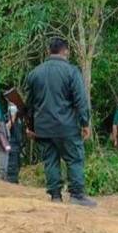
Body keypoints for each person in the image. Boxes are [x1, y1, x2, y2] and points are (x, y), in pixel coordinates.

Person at [25, 38, 96, 207]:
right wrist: (85, 123)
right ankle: (77, 194)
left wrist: (30, 126)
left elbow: (29, 104)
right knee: (74, 159)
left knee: (50, 160)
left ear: (49, 51)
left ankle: (55, 195)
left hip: (43, 127)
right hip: (67, 126)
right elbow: (80, 100)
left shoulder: (35, 73)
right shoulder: (71, 71)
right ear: (66, 51)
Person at [5, 103, 25, 184]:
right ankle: (11, 182)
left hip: (18, 145)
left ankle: (14, 182)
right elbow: (6, 129)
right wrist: (12, 118)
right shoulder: (7, 116)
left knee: (17, 165)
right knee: (11, 166)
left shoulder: (20, 118)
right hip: (11, 144)